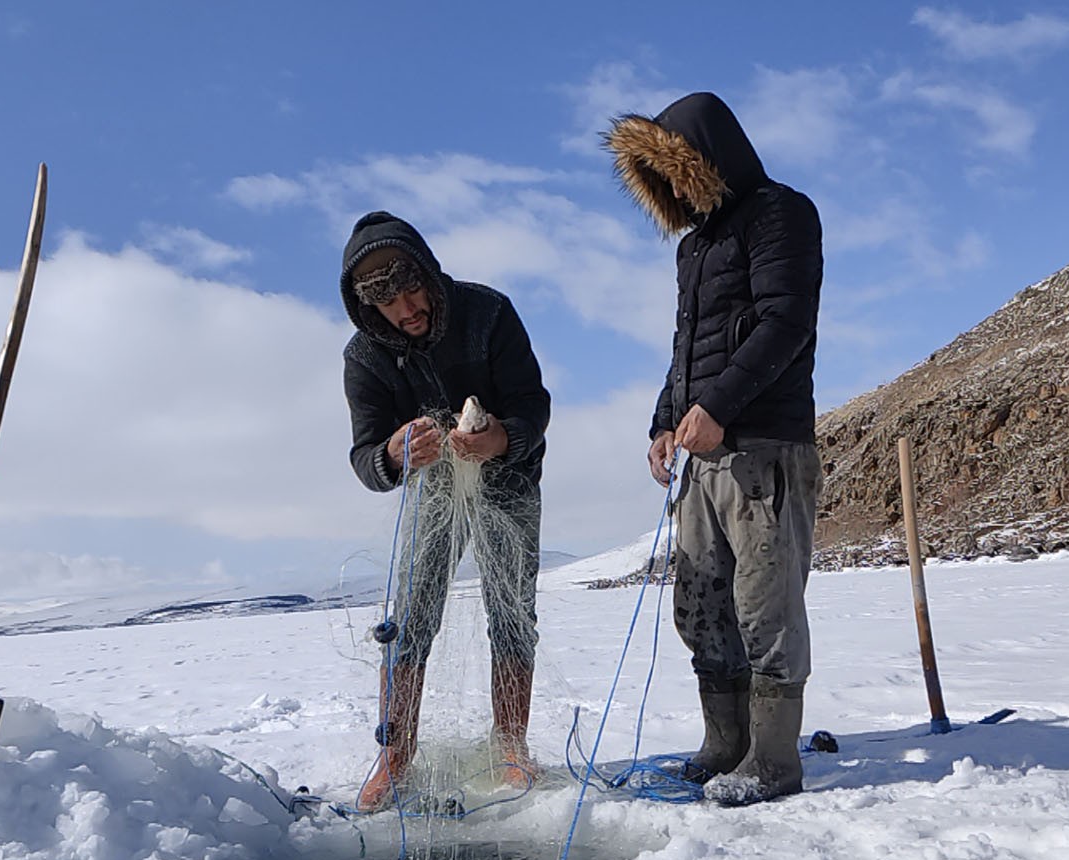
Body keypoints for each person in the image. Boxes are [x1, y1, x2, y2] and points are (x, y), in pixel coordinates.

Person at [603, 91, 824, 805]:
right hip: (703, 458)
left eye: (674, 172)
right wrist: (665, 421)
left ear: (701, 160)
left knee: (767, 611)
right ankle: (724, 743)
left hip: (763, 450)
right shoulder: (695, 247)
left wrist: (719, 409)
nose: (670, 192)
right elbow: (685, 348)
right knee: (701, 607)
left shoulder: (782, 213)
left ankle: (772, 762)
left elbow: (784, 321)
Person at [339, 211, 552, 812]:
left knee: (512, 610)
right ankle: (395, 756)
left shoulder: (489, 313)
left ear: (429, 275)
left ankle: (510, 744)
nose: (406, 309)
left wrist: (501, 440)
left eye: (412, 290)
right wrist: (393, 453)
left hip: (507, 479)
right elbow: (364, 455)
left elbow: (533, 403)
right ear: (367, 309)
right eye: (388, 304)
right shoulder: (364, 357)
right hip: (432, 490)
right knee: (410, 614)